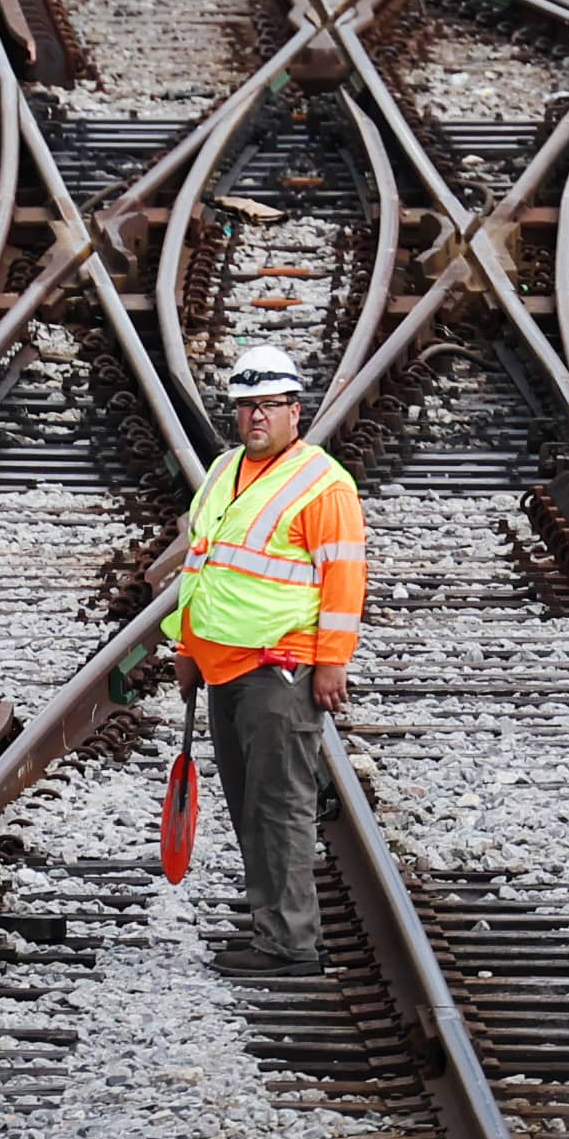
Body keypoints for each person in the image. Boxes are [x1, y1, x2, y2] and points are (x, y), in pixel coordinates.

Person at [171, 340, 366, 975]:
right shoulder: (224, 471)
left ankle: (289, 944)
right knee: (249, 803)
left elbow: (343, 578)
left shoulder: (322, 485)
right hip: (225, 666)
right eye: (246, 405)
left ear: (295, 412)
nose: (257, 416)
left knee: (279, 806)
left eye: (270, 405)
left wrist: (332, 660)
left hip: (281, 668)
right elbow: (202, 565)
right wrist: (188, 647)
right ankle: (271, 927)